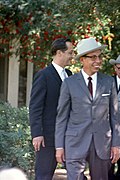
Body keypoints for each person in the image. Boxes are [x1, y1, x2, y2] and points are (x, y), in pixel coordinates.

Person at [55, 37, 120, 180]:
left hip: (102, 144)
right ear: (82, 60)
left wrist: (116, 144)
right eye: (93, 57)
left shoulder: (108, 82)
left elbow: (115, 116)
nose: (98, 61)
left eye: (99, 57)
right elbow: (62, 117)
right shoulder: (69, 83)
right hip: (74, 143)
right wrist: (59, 146)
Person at [29, 38, 73, 180]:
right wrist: (37, 134)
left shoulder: (70, 75)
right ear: (59, 52)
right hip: (47, 138)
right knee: (44, 175)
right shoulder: (43, 75)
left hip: (69, 136)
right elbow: (35, 107)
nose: (72, 56)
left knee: (76, 173)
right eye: (70, 52)